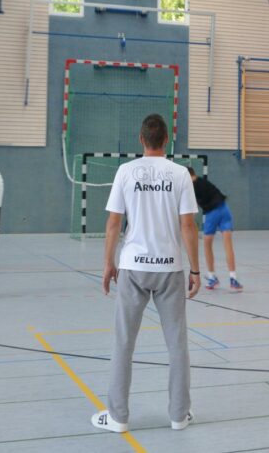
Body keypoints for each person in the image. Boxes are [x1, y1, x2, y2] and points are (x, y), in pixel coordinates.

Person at [92, 114, 200, 434]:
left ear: (141, 140)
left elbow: (114, 222)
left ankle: (118, 417)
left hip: (133, 267)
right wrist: (195, 269)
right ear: (166, 140)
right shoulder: (180, 174)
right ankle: (179, 415)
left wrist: (108, 263)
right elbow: (188, 225)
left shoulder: (125, 171)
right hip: (170, 269)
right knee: (177, 345)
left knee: (123, 343)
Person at [187, 167, 242, 291]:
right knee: (228, 245)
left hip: (212, 214)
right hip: (225, 209)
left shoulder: (191, 187)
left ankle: (212, 277)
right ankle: (233, 278)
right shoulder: (203, 181)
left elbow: (193, 209)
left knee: (207, 245)